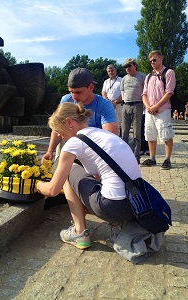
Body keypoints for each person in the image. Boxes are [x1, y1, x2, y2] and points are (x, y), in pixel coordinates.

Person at [37, 102, 164, 262]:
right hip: (135, 205)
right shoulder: (102, 134)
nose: (59, 136)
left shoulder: (73, 142)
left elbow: (53, 190)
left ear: (69, 122)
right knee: (78, 171)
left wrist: (37, 184)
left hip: (112, 206)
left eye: (59, 130)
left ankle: (79, 233)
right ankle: (118, 223)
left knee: (68, 171)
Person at [42, 68, 118, 161]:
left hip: (93, 153)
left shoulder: (104, 105)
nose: (74, 97)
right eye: (71, 92)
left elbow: (110, 137)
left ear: (91, 87)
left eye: (78, 92)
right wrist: (50, 151)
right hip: (69, 149)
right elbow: (57, 128)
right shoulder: (66, 100)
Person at [141, 50, 176, 170]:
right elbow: (144, 94)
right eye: (150, 61)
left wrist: (156, 106)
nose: (152, 62)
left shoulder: (168, 73)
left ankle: (167, 159)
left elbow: (169, 93)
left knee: (166, 134)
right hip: (150, 111)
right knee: (150, 134)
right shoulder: (148, 76)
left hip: (163, 110)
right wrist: (148, 107)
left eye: (154, 60)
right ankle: (152, 158)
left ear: (161, 58)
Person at [120, 58, 146, 164]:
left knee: (137, 132)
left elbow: (146, 91)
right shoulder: (124, 79)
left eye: (129, 66)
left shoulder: (142, 77)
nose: (127, 68)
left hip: (137, 104)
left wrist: (144, 104)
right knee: (124, 132)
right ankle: (123, 155)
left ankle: (136, 156)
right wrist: (124, 101)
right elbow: (122, 91)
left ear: (135, 65)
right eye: (125, 67)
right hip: (126, 105)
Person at [102, 64, 122, 136]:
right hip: (108, 105)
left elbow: (123, 93)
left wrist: (115, 102)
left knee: (118, 124)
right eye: (109, 71)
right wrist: (108, 102)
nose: (110, 72)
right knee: (109, 123)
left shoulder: (121, 80)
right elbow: (103, 92)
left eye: (112, 71)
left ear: (116, 71)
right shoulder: (106, 82)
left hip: (118, 105)